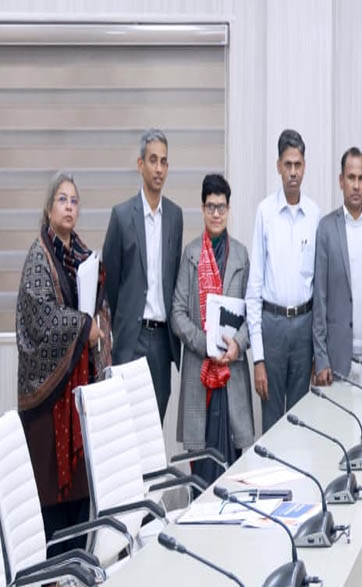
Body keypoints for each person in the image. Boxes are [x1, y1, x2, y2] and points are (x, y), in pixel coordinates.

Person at [17, 171, 112, 556]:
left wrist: (98, 315)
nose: (69, 207)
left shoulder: (83, 255)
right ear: (48, 208)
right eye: (62, 200)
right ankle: (53, 574)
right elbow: (40, 317)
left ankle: (77, 569)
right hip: (49, 402)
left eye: (74, 200)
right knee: (51, 497)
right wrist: (84, 327)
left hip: (79, 396)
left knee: (82, 491)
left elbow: (97, 305)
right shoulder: (38, 257)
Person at [171, 174, 254, 483]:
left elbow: (252, 313)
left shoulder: (241, 255)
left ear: (229, 209)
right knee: (201, 470)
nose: (216, 214)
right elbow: (177, 312)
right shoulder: (191, 255)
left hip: (232, 371)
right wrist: (205, 343)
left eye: (221, 207)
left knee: (233, 471)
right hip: (200, 373)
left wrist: (238, 343)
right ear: (203, 209)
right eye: (210, 207)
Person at [102, 128, 183, 423]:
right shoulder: (122, 215)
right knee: (127, 426)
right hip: (131, 339)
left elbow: (173, 276)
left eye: (163, 161)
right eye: (153, 160)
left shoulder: (175, 216)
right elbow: (111, 282)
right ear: (140, 164)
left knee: (154, 424)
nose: (159, 168)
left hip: (162, 340)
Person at [246, 129, 321, 432]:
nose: (293, 172)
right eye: (287, 165)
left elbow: (320, 288)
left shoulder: (315, 214)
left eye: (298, 165)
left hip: (304, 327)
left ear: (305, 167)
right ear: (278, 166)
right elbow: (254, 288)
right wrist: (258, 359)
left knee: (302, 423)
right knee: (273, 424)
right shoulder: (265, 212)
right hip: (272, 327)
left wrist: (318, 351)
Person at [314, 148, 362, 386]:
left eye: (361, 178)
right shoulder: (327, 228)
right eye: (351, 178)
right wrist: (321, 358)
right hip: (336, 360)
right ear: (341, 181)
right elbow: (320, 299)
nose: (356, 185)